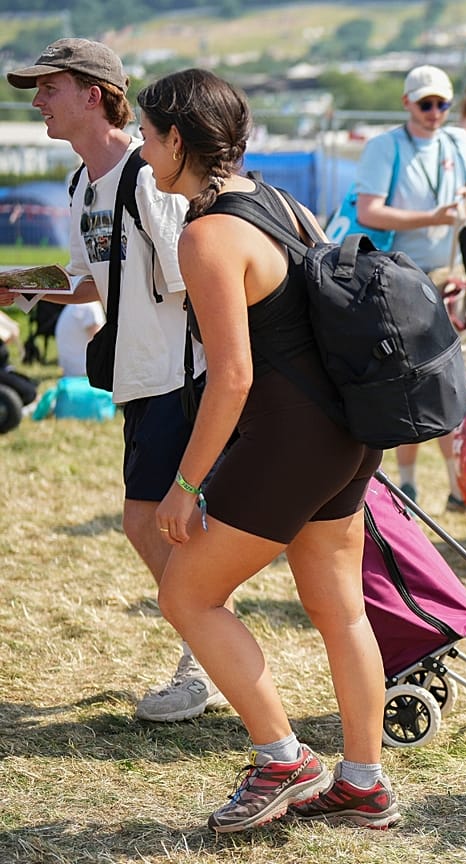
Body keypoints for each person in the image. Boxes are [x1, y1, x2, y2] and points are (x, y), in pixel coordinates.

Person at [138, 68, 399, 832]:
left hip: (293, 440)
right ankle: (364, 783)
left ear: (178, 140)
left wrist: (185, 485)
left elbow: (233, 378)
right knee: (339, 609)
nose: (142, 150)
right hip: (349, 436)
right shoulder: (280, 204)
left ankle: (283, 757)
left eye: (149, 136)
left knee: (186, 595)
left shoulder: (206, 235)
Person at [0, 38, 227, 724]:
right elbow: (88, 277)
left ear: (93, 94)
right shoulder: (82, 181)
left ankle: (208, 660)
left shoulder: (145, 172)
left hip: (179, 375)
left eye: (49, 88)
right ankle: (212, 652)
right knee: (156, 523)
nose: (37, 101)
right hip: (139, 377)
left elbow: (196, 277)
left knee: (157, 523)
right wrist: (18, 286)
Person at [353, 64, 466, 506]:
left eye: (442, 104)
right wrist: (435, 216)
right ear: (407, 102)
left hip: (451, 277)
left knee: (449, 385)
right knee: (411, 384)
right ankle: (407, 483)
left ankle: (451, 484)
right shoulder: (385, 146)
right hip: (400, 279)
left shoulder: (457, 141)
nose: (434, 112)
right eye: (426, 104)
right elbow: (369, 212)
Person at [54, 300, 105, 378]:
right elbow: (100, 346)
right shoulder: (91, 306)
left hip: (70, 372)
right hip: (85, 374)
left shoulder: (76, 304)